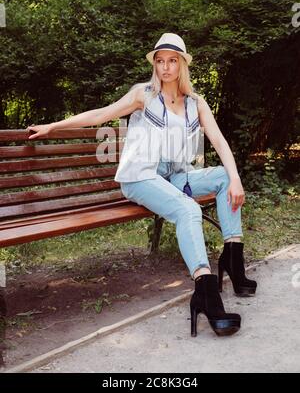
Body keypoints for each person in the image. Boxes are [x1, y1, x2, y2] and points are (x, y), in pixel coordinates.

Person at [27, 32, 257, 337]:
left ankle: (233, 259)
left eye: (172, 61)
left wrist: (237, 179)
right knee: (188, 210)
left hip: (174, 176)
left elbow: (219, 141)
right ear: (155, 65)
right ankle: (205, 290)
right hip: (140, 177)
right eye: (160, 61)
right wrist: (54, 126)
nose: (165, 67)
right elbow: (101, 114)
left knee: (225, 177)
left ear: (182, 65)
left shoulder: (195, 103)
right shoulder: (143, 95)